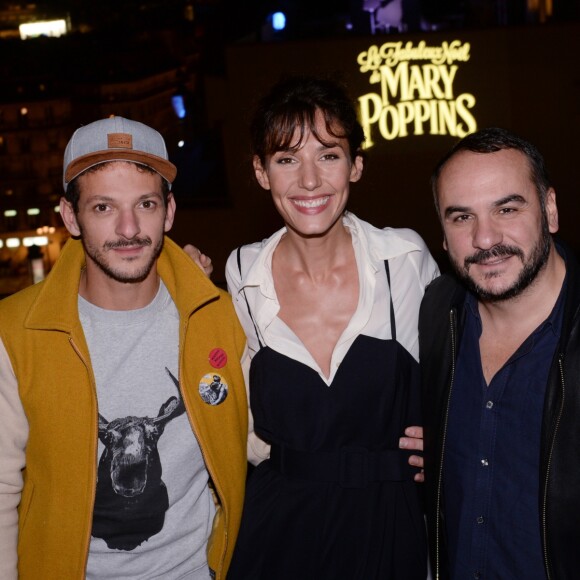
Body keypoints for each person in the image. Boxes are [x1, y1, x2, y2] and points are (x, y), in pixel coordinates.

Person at [0, 116, 248, 579]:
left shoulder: (220, 318)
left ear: (169, 213)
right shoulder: (14, 331)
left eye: (146, 204)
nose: (129, 228)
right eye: (103, 208)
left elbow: (263, 437)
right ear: (70, 217)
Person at [223, 75, 439, 579]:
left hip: (389, 528)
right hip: (279, 533)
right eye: (286, 159)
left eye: (328, 155)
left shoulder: (403, 261)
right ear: (260, 172)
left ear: (356, 165)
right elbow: (230, 407)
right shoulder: (242, 274)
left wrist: (450, 440)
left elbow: (467, 368)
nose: (309, 181)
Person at [419, 127, 580, 579]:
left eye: (506, 209)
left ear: (549, 209)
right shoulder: (436, 315)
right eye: (461, 217)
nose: (485, 239)